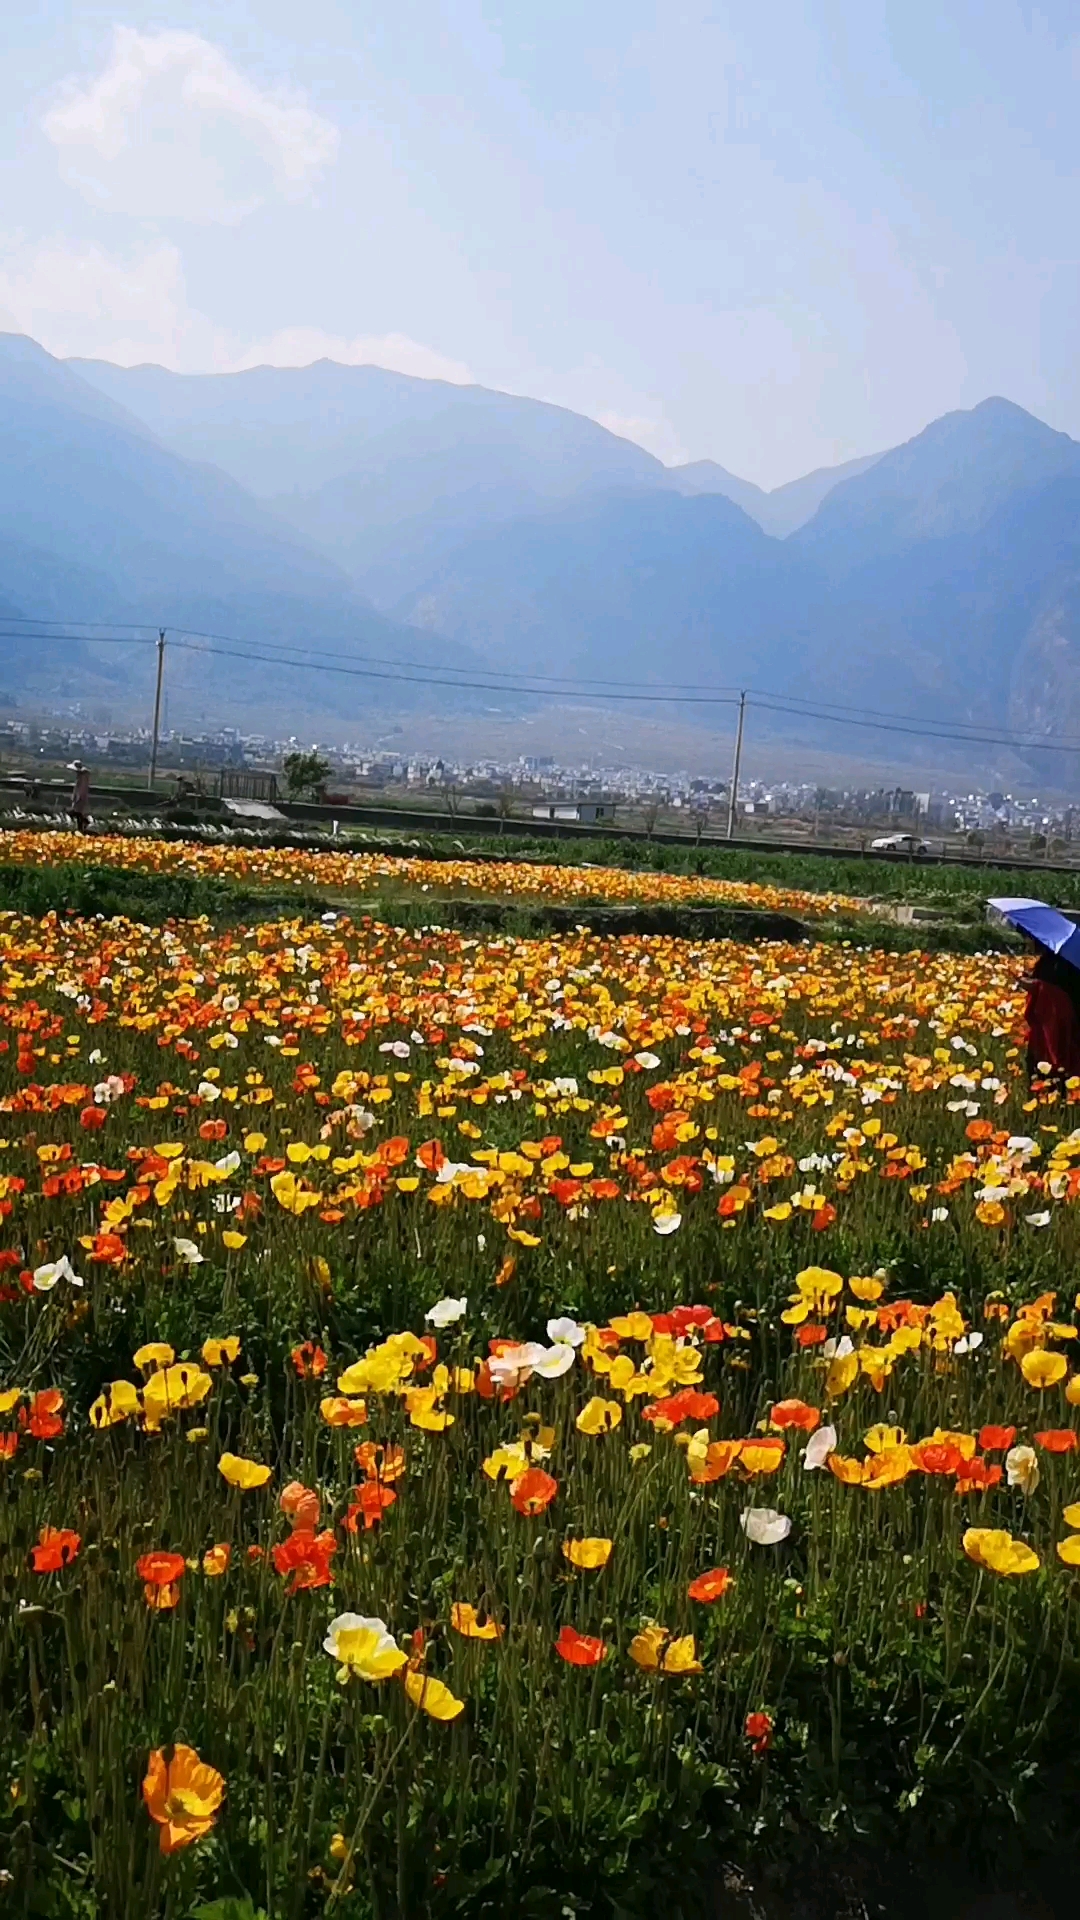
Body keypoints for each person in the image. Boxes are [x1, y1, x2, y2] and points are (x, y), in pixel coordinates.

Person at [1024, 944, 1080, 1085]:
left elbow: (1053, 989)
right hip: (1068, 1022)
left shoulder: (1057, 962)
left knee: (1056, 1065)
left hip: (1056, 1025)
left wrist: (1035, 985)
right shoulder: (1063, 958)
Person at [70, 761, 91, 832]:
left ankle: (83, 824)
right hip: (79, 796)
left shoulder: (82, 777)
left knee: (77, 812)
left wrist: (78, 797)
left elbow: (81, 788)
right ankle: (81, 826)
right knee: (78, 813)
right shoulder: (81, 776)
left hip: (80, 796)